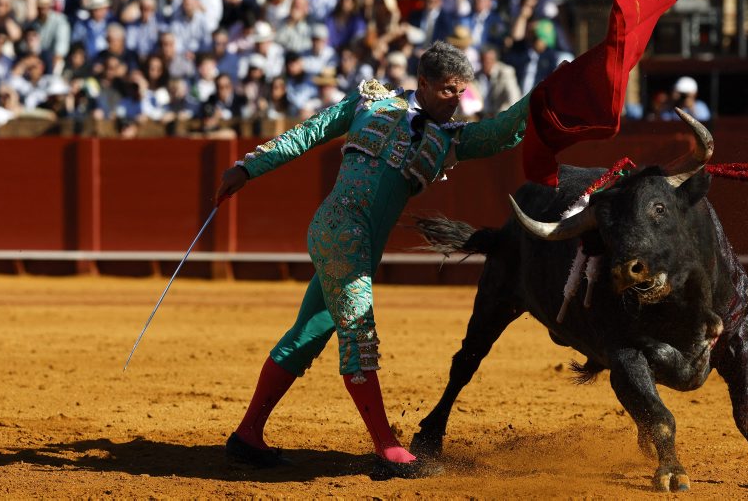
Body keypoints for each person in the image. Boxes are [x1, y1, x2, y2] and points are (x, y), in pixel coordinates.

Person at [214, 41, 530, 479]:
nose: (457, 100)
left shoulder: (449, 137)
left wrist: (545, 93)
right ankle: (386, 446)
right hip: (341, 232)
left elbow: (501, 132)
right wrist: (248, 167)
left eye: (462, 92)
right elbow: (307, 133)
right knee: (359, 335)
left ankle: (248, 434)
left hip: (356, 244)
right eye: (448, 90)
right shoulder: (370, 101)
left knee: (310, 331)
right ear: (423, 83)